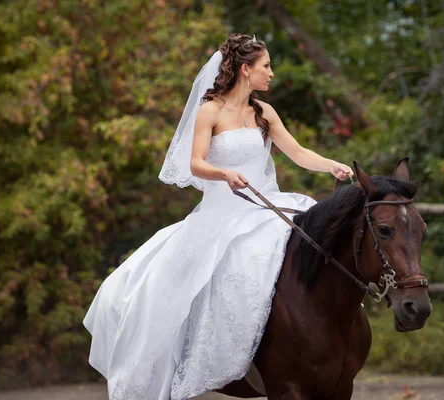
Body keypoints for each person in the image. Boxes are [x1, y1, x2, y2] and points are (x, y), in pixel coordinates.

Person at [83, 33, 354, 400]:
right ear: (246, 70)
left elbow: (298, 151)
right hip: (223, 211)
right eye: (266, 66)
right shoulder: (210, 110)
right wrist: (224, 174)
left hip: (267, 205)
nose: (272, 73)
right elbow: (195, 163)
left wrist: (331, 166)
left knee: (312, 243)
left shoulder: (264, 113)